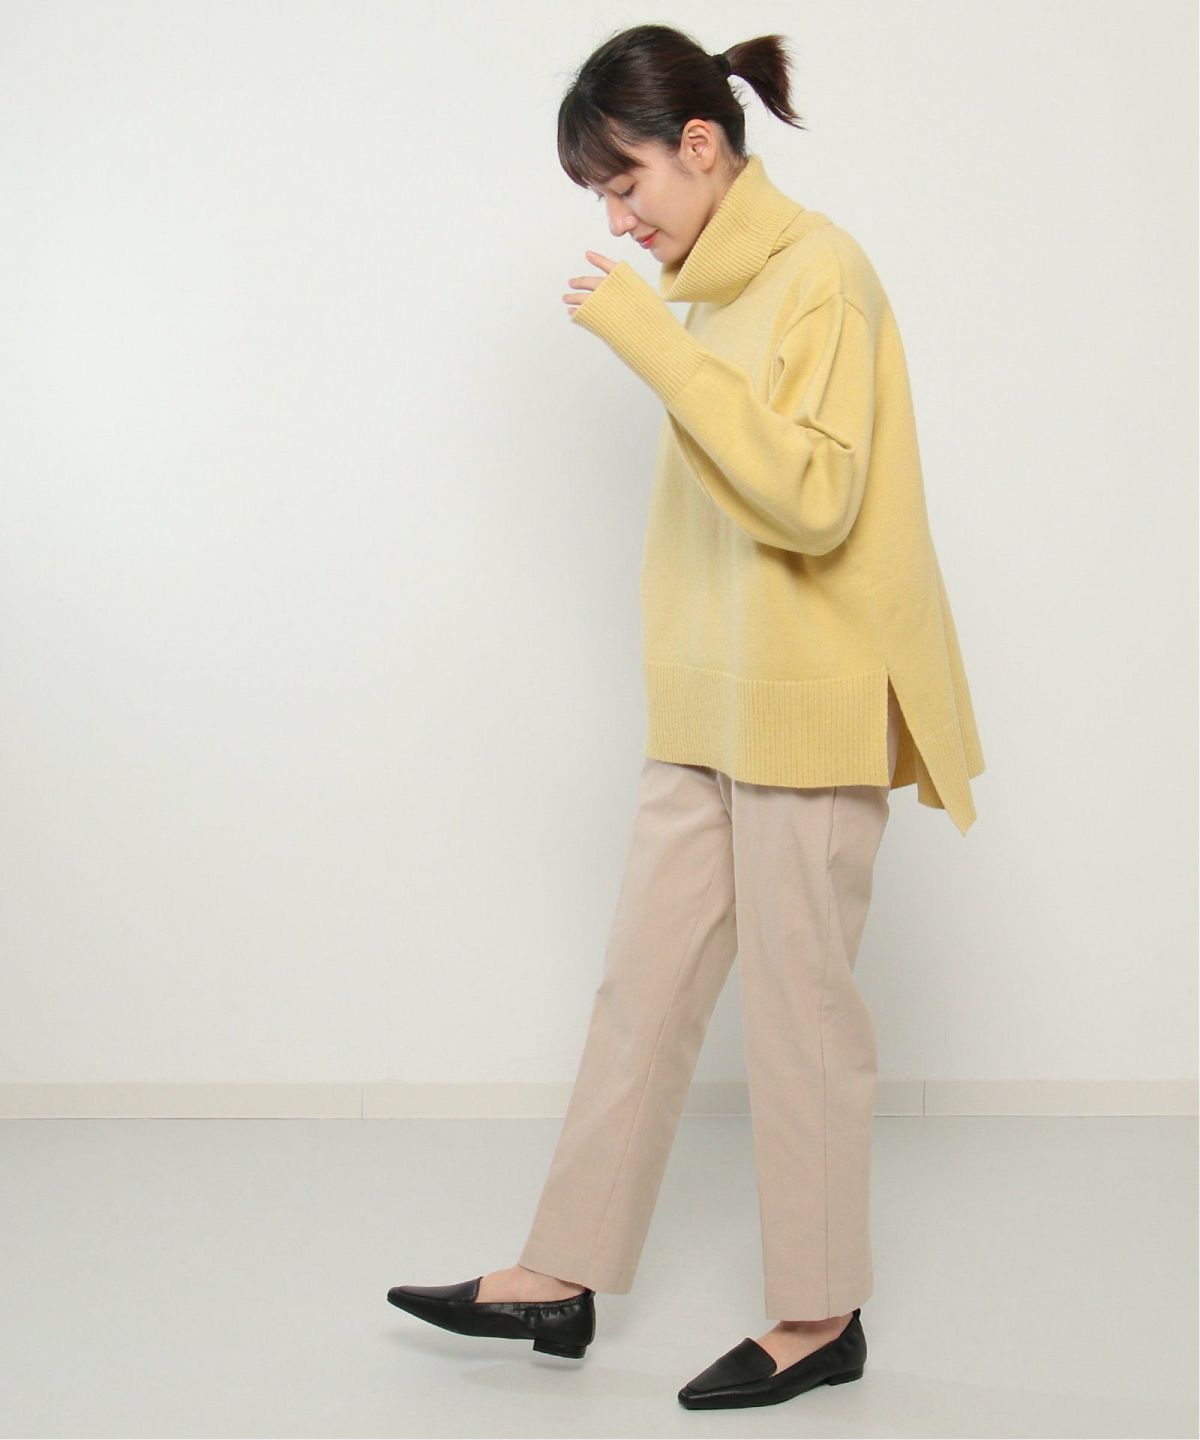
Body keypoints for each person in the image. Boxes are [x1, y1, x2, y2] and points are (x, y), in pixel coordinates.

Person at [387, 23, 984, 1411]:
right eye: (601, 194)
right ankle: (561, 1275)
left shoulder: (821, 274)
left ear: (701, 145)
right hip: (708, 713)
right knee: (640, 995)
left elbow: (815, 501)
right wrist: (671, 336)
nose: (617, 217)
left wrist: (655, 347)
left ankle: (820, 1317)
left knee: (800, 1020)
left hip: (808, 714)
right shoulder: (710, 294)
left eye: (626, 181)